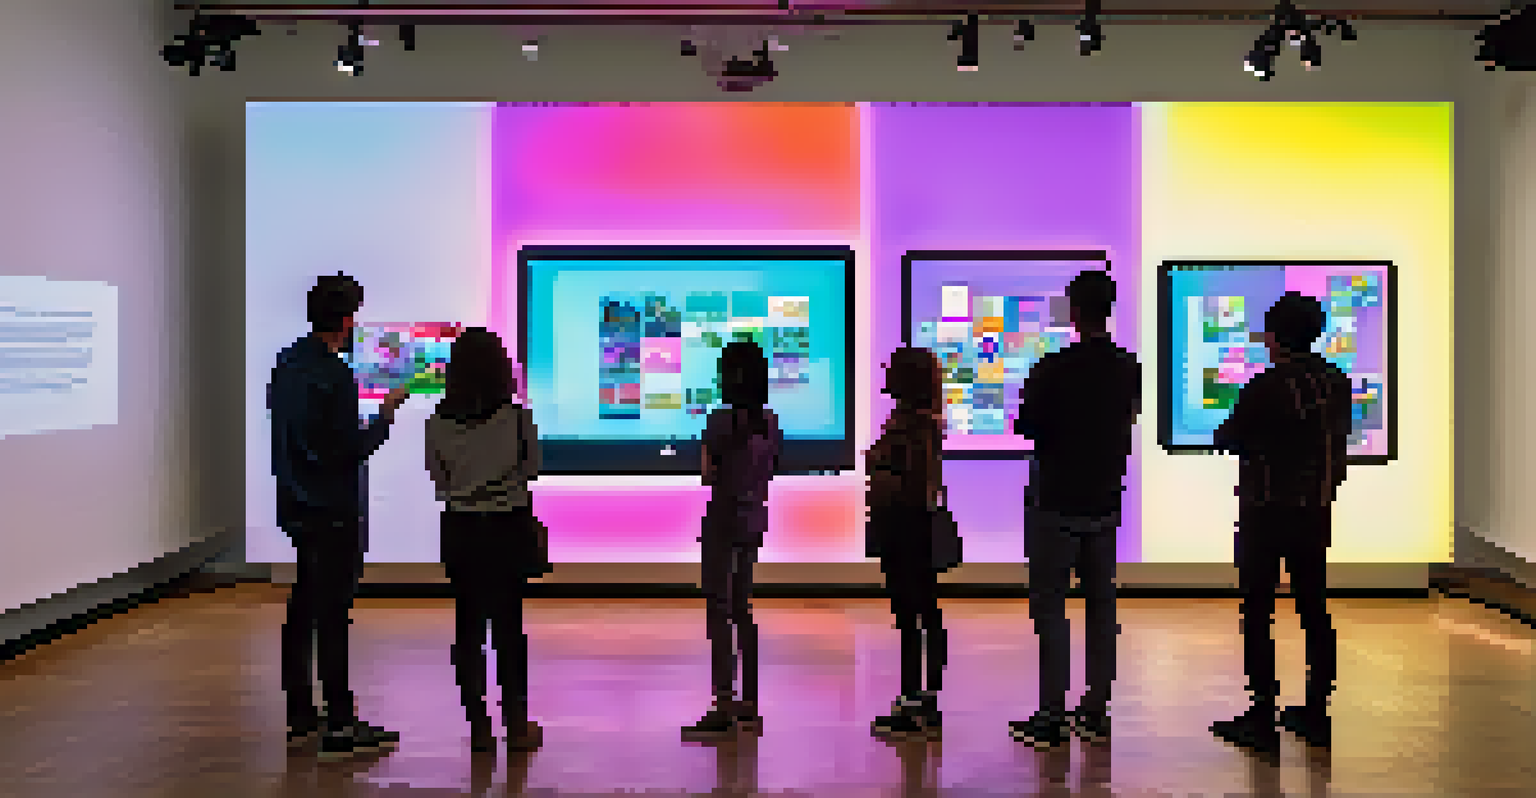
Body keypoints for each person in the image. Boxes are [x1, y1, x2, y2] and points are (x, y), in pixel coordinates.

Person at [268, 273, 409, 761]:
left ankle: (301, 714)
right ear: (347, 320)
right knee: (332, 614)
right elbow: (349, 448)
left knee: (303, 607)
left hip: (298, 504)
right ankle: (341, 723)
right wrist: (386, 415)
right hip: (334, 509)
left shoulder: (288, 362)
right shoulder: (334, 376)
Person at [1209, 291, 1352, 756]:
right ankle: (1315, 712)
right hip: (1315, 511)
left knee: (1258, 611)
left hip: (1267, 512)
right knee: (1314, 609)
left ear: (1274, 335)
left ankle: (1262, 715)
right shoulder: (1337, 383)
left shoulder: (1268, 387)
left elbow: (1228, 436)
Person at [1009, 270, 1142, 750]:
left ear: (1075, 311)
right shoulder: (1128, 368)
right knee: (1102, 607)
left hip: (1055, 501)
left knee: (1051, 608)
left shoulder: (1053, 368)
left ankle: (1051, 715)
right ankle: (1095, 710)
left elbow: (1027, 426)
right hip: (1104, 501)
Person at [425, 327, 547, 753]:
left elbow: (440, 481)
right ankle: (517, 725)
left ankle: (479, 727)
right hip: (507, 527)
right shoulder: (517, 418)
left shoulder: (437, 423)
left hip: (461, 529)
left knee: (468, 628)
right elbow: (533, 469)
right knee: (509, 627)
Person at [682, 340, 782, 740]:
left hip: (723, 519)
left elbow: (708, 474)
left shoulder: (721, 422)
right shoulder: (769, 421)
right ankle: (749, 705)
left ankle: (724, 703)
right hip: (754, 517)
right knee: (743, 608)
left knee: (718, 610)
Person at [866, 346, 949, 741]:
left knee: (911, 616)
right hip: (913, 527)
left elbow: (911, 482)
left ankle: (915, 701)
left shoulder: (910, 427)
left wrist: (879, 467)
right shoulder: (925, 424)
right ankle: (923, 699)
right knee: (923, 613)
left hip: (904, 528)